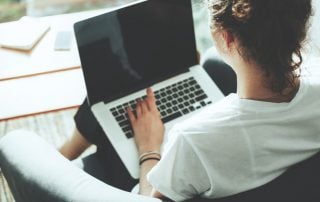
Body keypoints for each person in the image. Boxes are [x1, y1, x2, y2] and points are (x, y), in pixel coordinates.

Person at [0, 0, 319, 201]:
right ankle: (74, 146)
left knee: (15, 142)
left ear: (229, 37)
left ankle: (67, 152)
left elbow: (148, 196)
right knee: (205, 64)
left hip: (150, 179)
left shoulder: (193, 142)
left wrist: (150, 147)